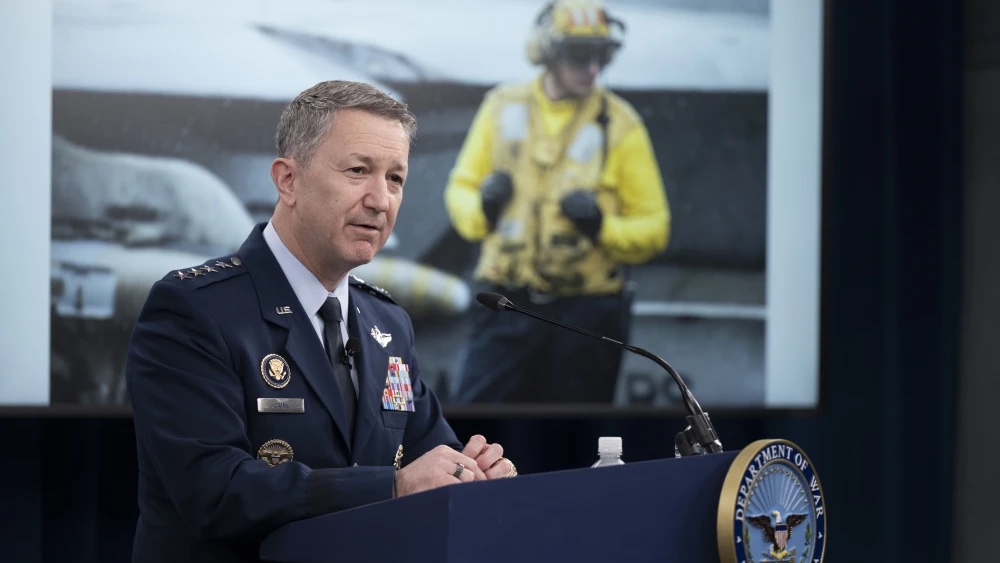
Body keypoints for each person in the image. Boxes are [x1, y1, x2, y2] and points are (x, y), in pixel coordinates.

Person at [125, 80, 517, 563]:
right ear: (288, 180)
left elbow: (429, 457)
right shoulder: (193, 309)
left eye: (395, 179)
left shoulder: (388, 323)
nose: (381, 200)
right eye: (358, 171)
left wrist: (472, 472)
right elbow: (215, 493)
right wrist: (391, 486)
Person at [444, 0, 670, 404]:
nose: (593, 69)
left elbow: (655, 227)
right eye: (581, 55)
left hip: (587, 318)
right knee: (476, 429)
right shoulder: (501, 107)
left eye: (602, 56)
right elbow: (459, 190)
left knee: (576, 439)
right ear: (549, 52)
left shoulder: (621, 124)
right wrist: (483, 209)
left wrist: (603, 227)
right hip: (507, 305)